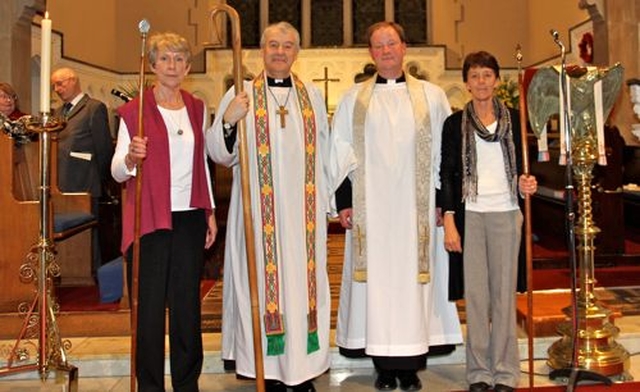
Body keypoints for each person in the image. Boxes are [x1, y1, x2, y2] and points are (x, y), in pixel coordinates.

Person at [329, 21, 463, 392]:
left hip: (415, 212)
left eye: (392, 43)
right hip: (370, 210)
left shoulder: (433, 96)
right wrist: (343, 202)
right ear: (370, 54)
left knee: (411, 286)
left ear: (405, 47)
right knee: (378, 285)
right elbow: (338, 152)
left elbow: (444, 155)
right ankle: (384, 368)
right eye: (378, 45)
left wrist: (441, 203)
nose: (386, 50)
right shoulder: (354, 98)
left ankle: (410, 367)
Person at [207, 22, 330, 392]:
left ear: (296, 52)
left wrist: (328, 204)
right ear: (261, 50)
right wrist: (229, 122)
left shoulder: (312, 96)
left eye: (287, 45)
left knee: (304, 290)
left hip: (303, 216)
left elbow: (325, 154)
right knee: (260, 289)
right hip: (258, 217)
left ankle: (303, 371)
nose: (280, 51)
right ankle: (270, 372)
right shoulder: (241, 93)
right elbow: (217, 152)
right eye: (273, 45)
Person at [111, 32, 218, 392]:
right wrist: (130, 157)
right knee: (150, 309)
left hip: (188, 215)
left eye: (179, 59)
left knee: (187, 304)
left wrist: (210, 212)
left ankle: (188, 383)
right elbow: (116, 170)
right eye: (165, 59)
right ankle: (151, 385)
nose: (172, 65)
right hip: (150, 216)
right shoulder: (133, 111)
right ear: (153, 65)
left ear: (187, 67)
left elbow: (201, 162)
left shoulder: (197, 108)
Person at [439, 51, 537, 392]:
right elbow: (448, 175)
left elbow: (528, 167)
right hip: (472, 216)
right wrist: (449, 219)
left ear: (496, 79)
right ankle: (479, 372)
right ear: (466, 83)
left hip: (507, 214)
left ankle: (506, 372)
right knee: (477, 298)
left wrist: (528, 182)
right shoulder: (454, 124)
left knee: (503, 298)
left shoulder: (515, 120)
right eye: (475, 76)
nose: (481, 82)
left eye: (487, 75)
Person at [51, 67, 114, 275]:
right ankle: (69, 273)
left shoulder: (94, 108)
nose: (57, 89)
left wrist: (102, 180)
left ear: (73, 81)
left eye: (60, 84)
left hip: (86, 181)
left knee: (89, 235)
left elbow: (103, 148)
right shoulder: (58, 113)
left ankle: (92, 274)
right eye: (54, 86)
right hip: (61, 183)